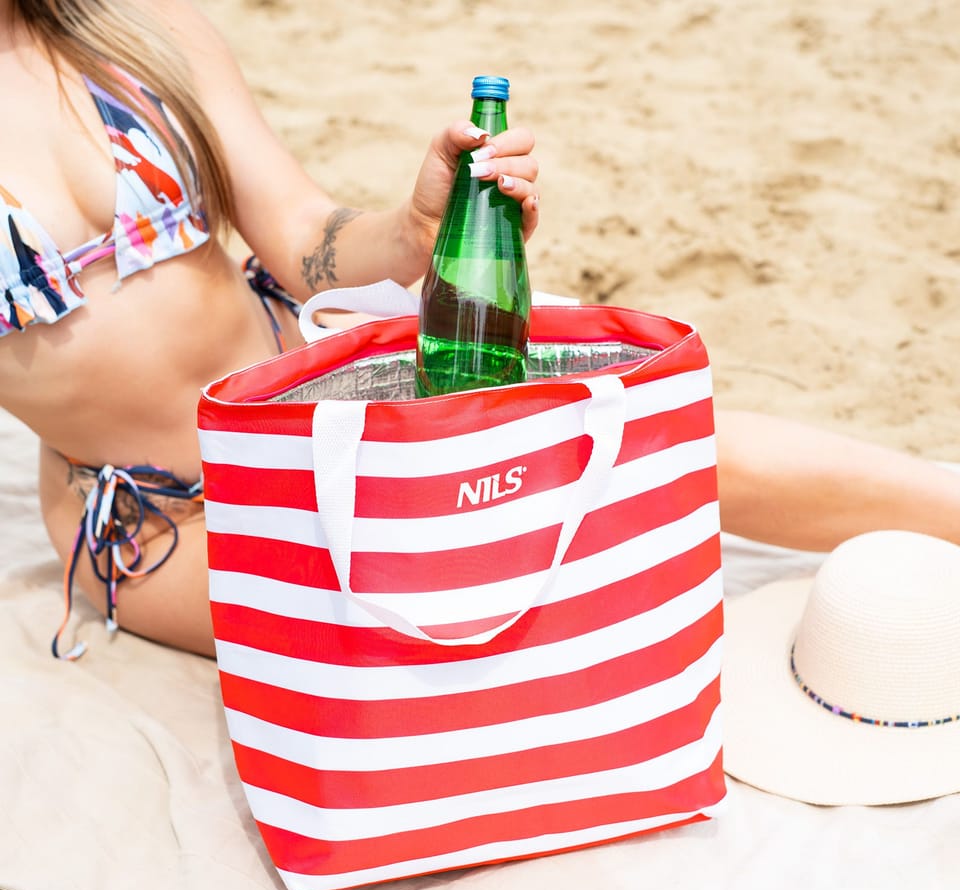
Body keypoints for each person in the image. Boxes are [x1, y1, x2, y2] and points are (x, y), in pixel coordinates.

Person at [3, 0, 959, 661]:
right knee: (443, 613)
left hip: (319, 385)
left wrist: (412, 231)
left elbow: (300, 236)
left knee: (653, 446)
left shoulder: (136, 27)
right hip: (165, 518)